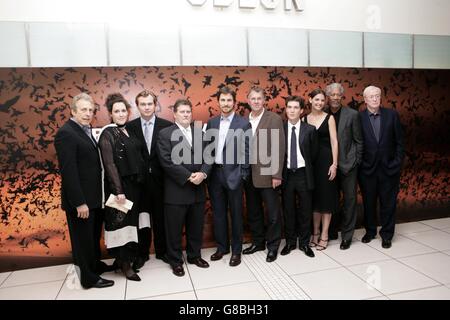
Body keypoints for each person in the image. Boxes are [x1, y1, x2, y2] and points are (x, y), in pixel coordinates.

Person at [54, 93, 114, 289]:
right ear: (73, 111)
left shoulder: (83, 130)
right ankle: (88, 278)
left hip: (93, 198)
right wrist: (79, 202)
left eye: (90, 110)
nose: (88, 114)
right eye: (83, 110)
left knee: (92, 237)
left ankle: (94, 265)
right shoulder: (66, 133)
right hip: (81, 202)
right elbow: (69, 172)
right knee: (82, 241)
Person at [157, 99, 212, 276]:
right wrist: (189, 176)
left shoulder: (199, 132)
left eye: (188, 111)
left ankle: (194, 256)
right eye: (182, 112)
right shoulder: (165, 134)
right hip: (176, 191)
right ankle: (175, 261)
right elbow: (166, 161)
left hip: (197, 190)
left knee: (196, 226)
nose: (186, 114)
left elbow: (208, 157)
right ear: (174, 114)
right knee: (174, 230)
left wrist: (203, 174)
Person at [98, 93, 146, 281]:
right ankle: (125, 265)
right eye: (116, 111)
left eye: (123, 110)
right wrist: (119, 191)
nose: (120, 114)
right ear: (110, 114)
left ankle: (125, 260)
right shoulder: (107, 134)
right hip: (119, 189)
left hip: (135, 187)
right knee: (121, 225)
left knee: (132, 225)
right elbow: (109, 165)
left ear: (128, 111)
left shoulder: (129, 131)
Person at [127, 90, 172, 269]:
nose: (146, 107)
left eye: (149, 104)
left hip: (162, 183)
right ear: (137, 107)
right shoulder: (129, 127)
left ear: (155, 105)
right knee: (142, 220)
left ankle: (162, 252)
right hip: (139, 184)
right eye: (143, 104)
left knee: (162, 219)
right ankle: (142, 253)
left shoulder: (167, 126)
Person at [206, 86, 251, 267]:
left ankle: (236, 251)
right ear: (219, 102)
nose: (225, 103)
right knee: (218, 214)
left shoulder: (243, 123)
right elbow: (208, 150)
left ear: (234, 102)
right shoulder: (212, 122)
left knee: (236, 215)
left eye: (229, 100)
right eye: (222, 100)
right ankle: (222, 247)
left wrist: (243, 174)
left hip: (234, 175)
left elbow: (247, 151)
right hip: (215, 175)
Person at [242, 86, 285, 263]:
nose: (256, 101)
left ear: (264, 100)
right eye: (253, 98)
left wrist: (277, 174)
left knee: (273, 213)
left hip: (268, 174)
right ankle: (258, 242)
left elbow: (279, 147)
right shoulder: (245, 120)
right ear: (248, 100)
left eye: (259, 98)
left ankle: (273, 246)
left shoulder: (273, 118)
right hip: (249, 174)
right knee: (254, 212)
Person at [359, 86, 404, 249]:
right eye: (371, 96)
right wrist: (361, 164)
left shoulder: (392, 115)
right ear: (365, 100)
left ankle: (387, 235)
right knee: (368, 203)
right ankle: (370, 232)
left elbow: (400, 142)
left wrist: (396, 162)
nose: (375, 99)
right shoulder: (359, 117)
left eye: (377, 96)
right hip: (367, 170)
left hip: (389, 169)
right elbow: (357, 143)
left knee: (388, 203)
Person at [325, 83, 364, 250]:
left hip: (348, 165)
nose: (335, 97)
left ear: (342, 96)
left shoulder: (352, 115)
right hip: (327, 167)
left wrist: (355, 161)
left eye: (337, 94)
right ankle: (331, 231)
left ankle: (347, 236)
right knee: (330, 200)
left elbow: (359, 141)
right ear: (328, 96)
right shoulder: (321, 113)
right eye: (332, 94)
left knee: (349, 201)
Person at [281, 96, 318, 258]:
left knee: (305, 210)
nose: (292, 110)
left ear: (301, 110)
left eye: (296, 107)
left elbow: (314, 155)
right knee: (288, 210)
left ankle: (304, 243)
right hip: (287, 175)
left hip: (303, 174)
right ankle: (290, 242)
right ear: (286, 109)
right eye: (289, 107)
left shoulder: (310, 130)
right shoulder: (280, 128)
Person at [305, 88, 338, 251]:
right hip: (310, 165)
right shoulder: (304, 118)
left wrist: (335, 164)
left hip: (326, 164)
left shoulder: (329, 118)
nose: (319, 103)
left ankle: (324, 235)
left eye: (322, 100)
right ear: (310, 100)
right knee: (315, 201)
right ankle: (315, 233)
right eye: (316, 99)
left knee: (326, 200)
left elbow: (334, 141)